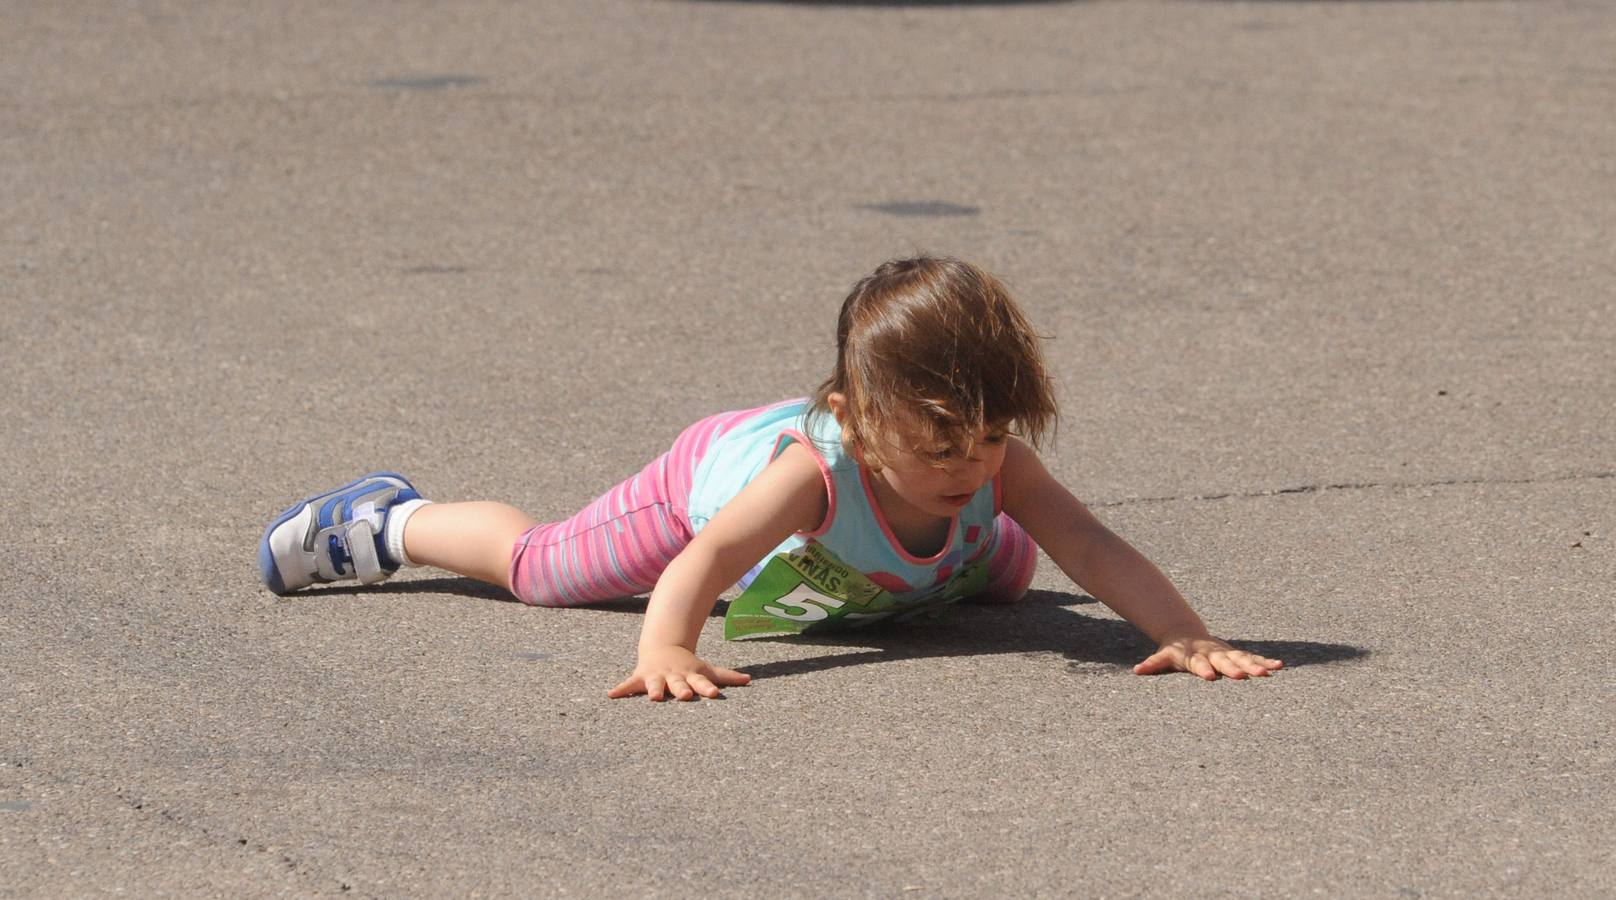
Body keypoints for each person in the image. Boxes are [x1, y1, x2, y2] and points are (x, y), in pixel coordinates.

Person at [258, 256, 1282, 701]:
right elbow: (708, 558)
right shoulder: (810, 473)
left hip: (888, 559)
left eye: (987, 440)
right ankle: (394, 524)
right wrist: (666, 646)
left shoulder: (987, 462)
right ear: (852, 421)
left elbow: (1093, 546)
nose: (972, 464)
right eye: (940, 450)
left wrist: (1181, 632)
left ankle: (933, 563)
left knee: (1011, 570)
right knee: (544, 569)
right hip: (706, 490)